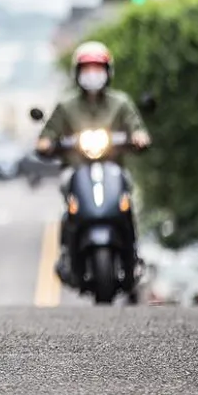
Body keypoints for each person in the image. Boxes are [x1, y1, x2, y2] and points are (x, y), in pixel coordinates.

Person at [35, 40, 150, 290]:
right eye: (87, 69)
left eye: (97, 68)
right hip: (76, 169)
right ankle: (67, 251)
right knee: (69, 200)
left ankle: (134, 252)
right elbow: (47, 135)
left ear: (108, 72)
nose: (92, 74)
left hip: (112, 168)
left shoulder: (120, 103)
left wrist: (139, 138)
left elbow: (137, 129)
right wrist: (46, 143)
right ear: (78, 73)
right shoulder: (66, 106)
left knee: (130, 199)